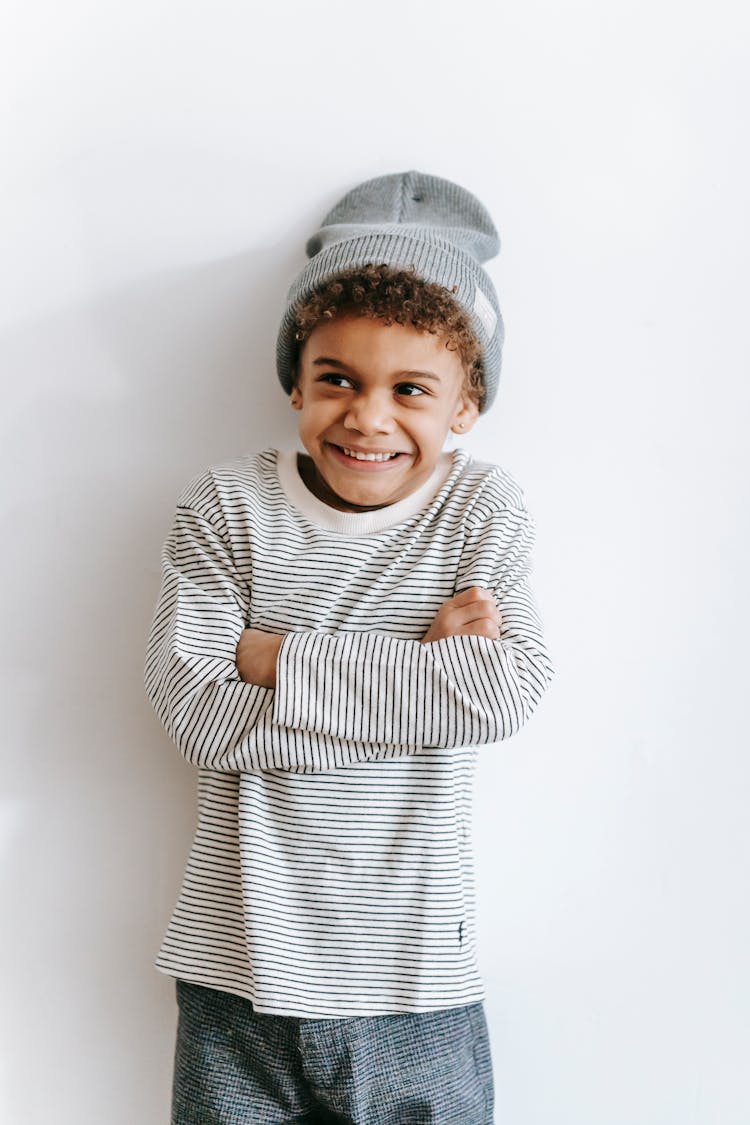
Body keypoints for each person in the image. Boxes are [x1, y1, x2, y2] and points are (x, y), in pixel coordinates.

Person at [144, 170, 555, 1125]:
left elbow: (502, 694)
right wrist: (421, 674)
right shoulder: (226, 506)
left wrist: (275, 656)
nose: (368, 416)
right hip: (235, 960)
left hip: (415, 971)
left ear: (465, 404)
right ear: (296, 378)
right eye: (338, 378)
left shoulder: (479, 509)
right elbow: (197, 715)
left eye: (411, 388)